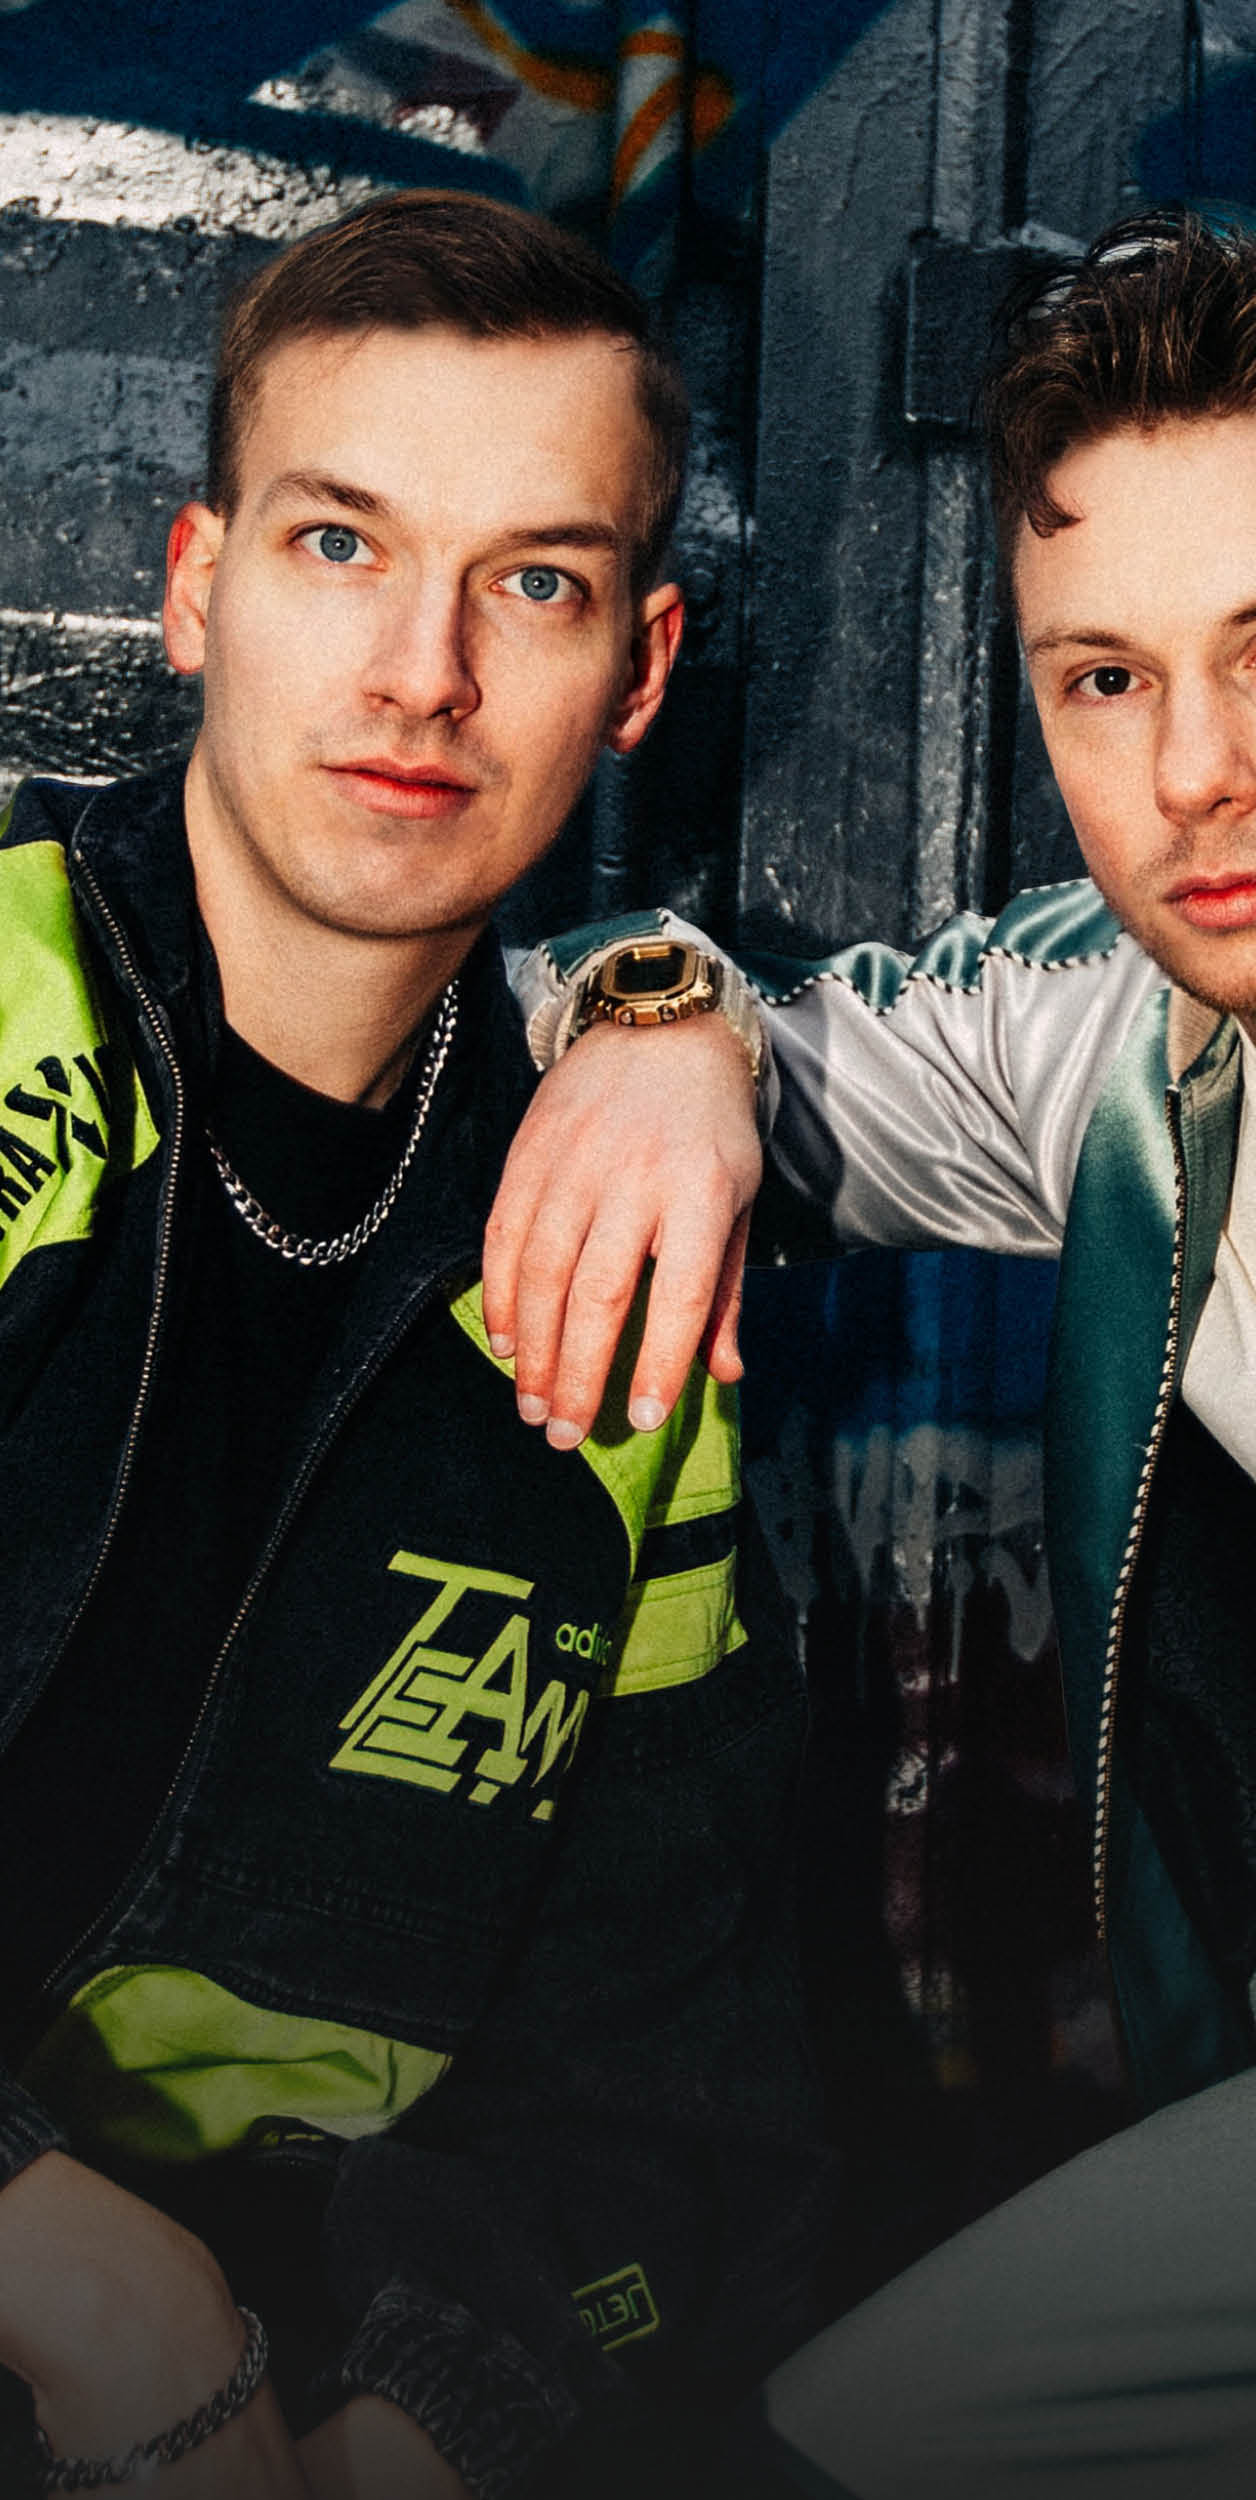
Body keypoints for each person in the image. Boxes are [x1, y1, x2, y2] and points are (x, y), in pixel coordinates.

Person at [486, 214, 1256, 2496]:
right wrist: (662, 1019)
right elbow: (621, 1017)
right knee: (824, 2454)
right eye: (1105, 679)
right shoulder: (1112, 1044)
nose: (1195, 772)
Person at [0, 189, 823, 2499]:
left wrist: (418, 2420)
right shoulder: (14, 1014)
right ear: (196, 586)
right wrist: (93, 2285)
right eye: (342, 544)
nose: (423, 671)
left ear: (638, 668)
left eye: (534, 583)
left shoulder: (615, 1263)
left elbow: (674, 2088)